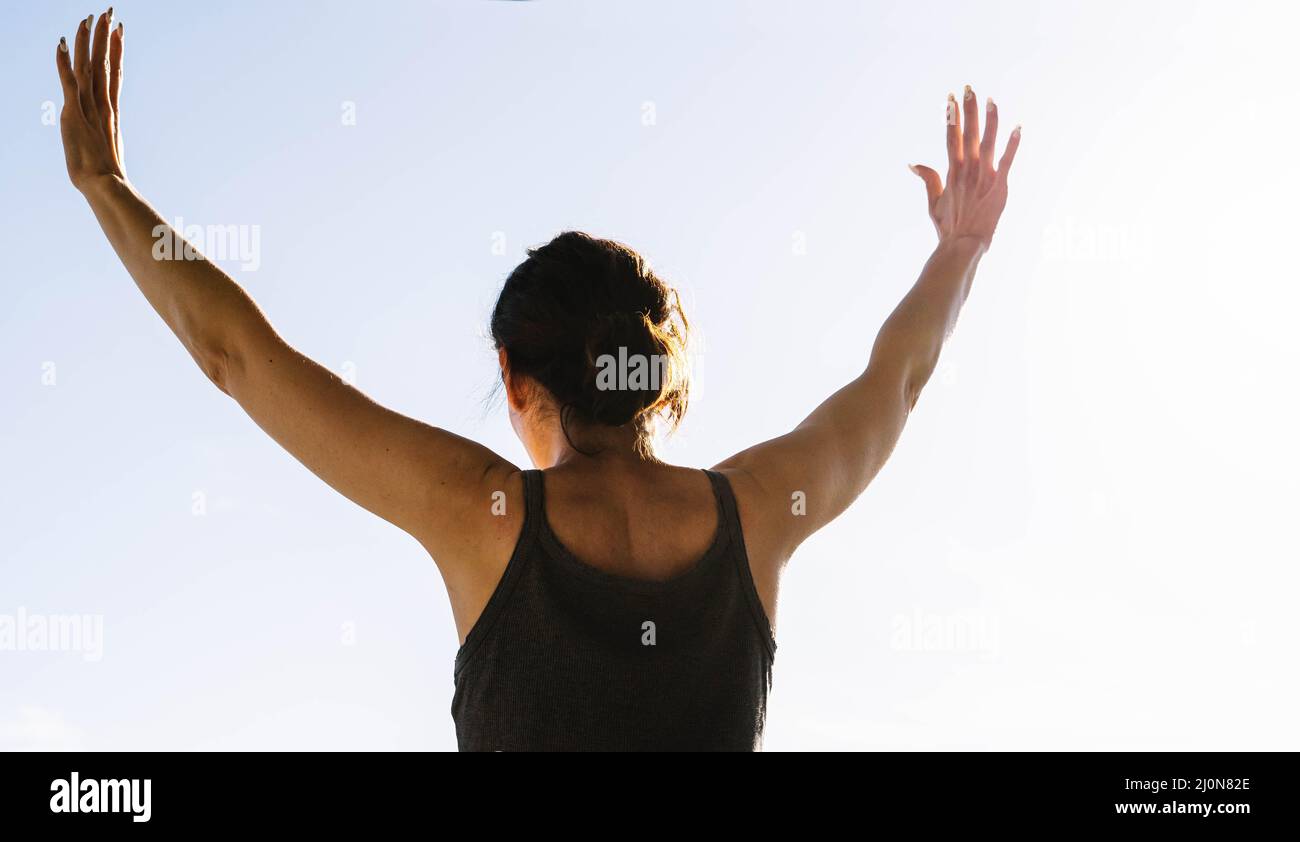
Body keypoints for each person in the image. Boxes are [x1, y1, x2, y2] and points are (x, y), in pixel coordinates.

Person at [54, 10, 1019, 751]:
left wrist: (107, 186)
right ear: (657, 381)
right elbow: (896, 382)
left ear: (513, 373)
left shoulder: (482, 515)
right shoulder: (759, 512)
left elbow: (232, 352)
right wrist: (960, 251)